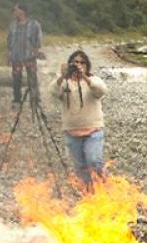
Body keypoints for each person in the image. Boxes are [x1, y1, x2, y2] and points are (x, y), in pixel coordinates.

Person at [52, 50, 108, 189]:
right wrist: (62, 77)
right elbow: (53, 91)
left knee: (94, 161)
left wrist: (84, 77)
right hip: (71, 132)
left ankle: (105, 187)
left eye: (82, 62)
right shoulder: (65, 83)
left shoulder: (93, 80)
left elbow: (101, 91)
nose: (78, 65)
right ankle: (88, 193)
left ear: (87, 65)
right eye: (75, 62)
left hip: (93, 131)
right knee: (80, 167)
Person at [7, 3, 42, 108]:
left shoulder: (34, 24)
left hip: (29, 56)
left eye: (16, 10)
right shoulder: (12, 25)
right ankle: (17, 100)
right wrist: (9, 54)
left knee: (32, 78)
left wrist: (36, 51)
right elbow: (9, 40)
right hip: (16, 56)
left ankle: (35, 99)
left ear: (22, 11)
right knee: (16, 78)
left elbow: (38, 39)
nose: (14, 12)